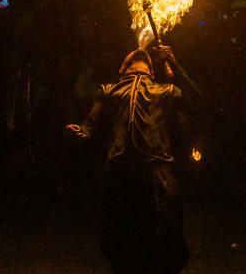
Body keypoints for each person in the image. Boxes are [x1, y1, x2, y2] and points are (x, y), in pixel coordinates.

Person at [66, 45, 200, 274]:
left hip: (158, 174)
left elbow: (196, 99)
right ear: (122, 69)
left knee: (165, 239)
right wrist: (80, 132)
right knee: (120, 241)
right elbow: (89, 126)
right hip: (122, 172)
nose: (140, 52)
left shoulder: (166, 91)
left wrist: (175, 64)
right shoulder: (109, 90)